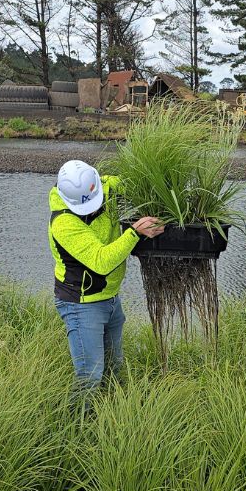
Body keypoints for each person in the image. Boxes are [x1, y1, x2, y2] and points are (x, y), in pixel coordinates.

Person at [48, 159, 163, 389]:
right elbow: (101, 261)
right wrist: (135, 233)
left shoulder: (107, 186)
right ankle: (78, 423)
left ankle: (109, 415)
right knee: (89, 376)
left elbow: (141, 180)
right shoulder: (63, 223)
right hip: (82, 305)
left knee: (113, 368)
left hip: (110, 298)